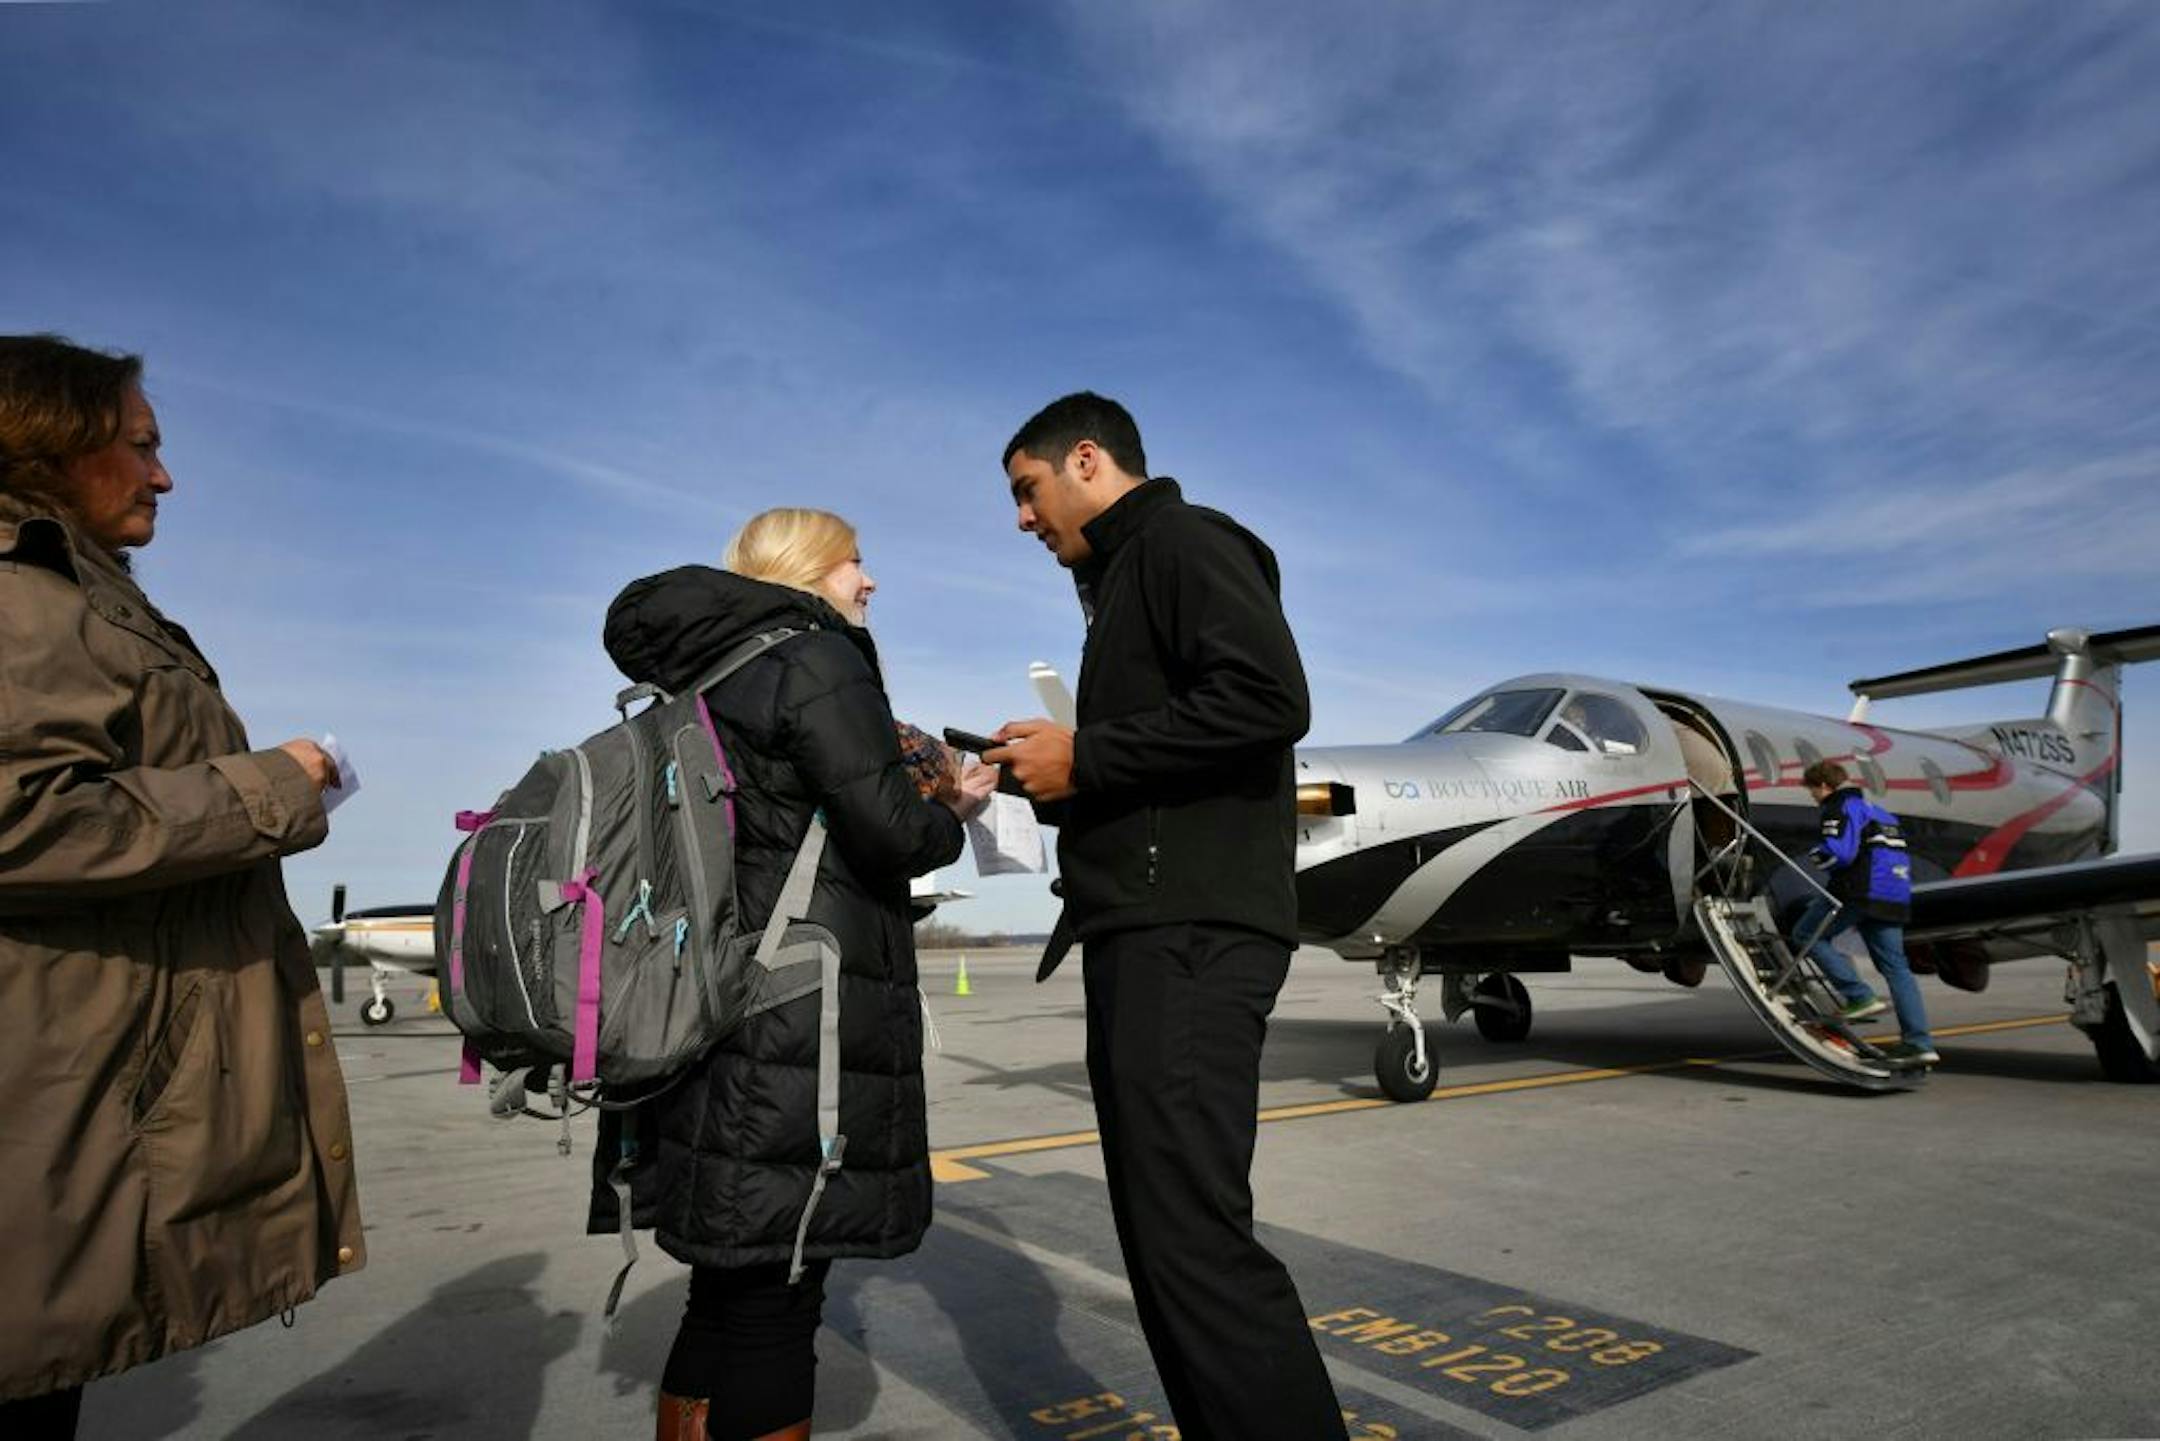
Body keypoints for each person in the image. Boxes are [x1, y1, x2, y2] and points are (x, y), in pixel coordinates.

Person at [0, 335, 363, 1437]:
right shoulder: (24, 597)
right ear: (51, 444)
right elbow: (21, 815)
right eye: (139, 444)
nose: (163, 475)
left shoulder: (75, 596)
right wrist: (268, 789)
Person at [990, 393, 1348, 1440]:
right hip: (1148, 927)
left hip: (1186, 932)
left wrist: (1088, 754)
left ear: (1088, 459)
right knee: (1166, 1241)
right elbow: (1176, 745)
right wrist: (1044, 770)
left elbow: (1271, 698)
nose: (1023, 519)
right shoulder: (1121, 582)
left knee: (1191, 1241)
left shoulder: (1183, 543)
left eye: (1028, 489)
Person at [592, 507, 994, 1441]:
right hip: (791, 1022)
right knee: (780, 1297)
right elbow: (892, 832)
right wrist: (957, 806)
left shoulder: (698, 675)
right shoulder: (815, 658)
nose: (870, 581)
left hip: (702, 1007)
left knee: (724, 1291)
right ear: (814, 569)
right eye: (858, 561)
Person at [1791, 758, 1938, 1065]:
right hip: (1895, 893)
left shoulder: (1839, 807)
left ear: (1823, 785)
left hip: (1859, 890)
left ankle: (1858, 995)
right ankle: (1919, 1042)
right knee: (1897, 968)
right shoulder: (1882, 813)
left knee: (1806, 934)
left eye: (1812, 791)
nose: (1813, 797)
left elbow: (1841, 854)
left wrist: (1815, 854)